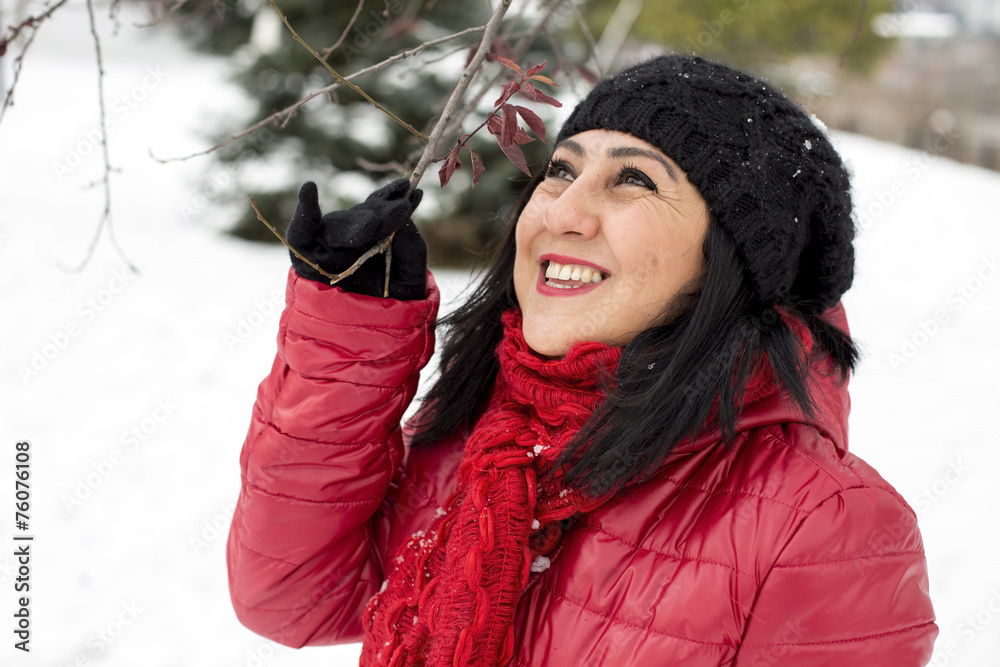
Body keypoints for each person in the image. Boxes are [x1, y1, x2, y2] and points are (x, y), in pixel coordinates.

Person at [227, 54, 937, 666]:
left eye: (634, 180)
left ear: (731, 262)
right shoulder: (490, 437)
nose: (564, 210)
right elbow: (292, 595)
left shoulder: (826, 526)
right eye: (561, 170)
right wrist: (350, 337)